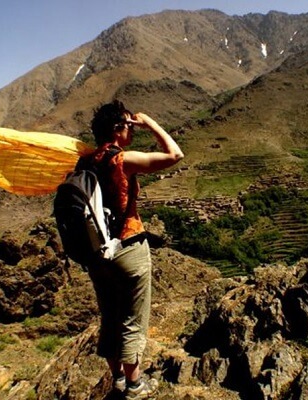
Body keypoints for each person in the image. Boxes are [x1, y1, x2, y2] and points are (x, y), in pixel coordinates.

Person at [82, 100, 184, 399]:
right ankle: (136, 385)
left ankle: (117, 379)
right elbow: (174, 154)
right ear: (117, 130)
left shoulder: (87, 160)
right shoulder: (121, 160)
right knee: (132, 319)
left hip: (98, 252)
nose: (133, 131)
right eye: (129, 126)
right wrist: (151, 123)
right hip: (127, 246)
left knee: (109, 316)